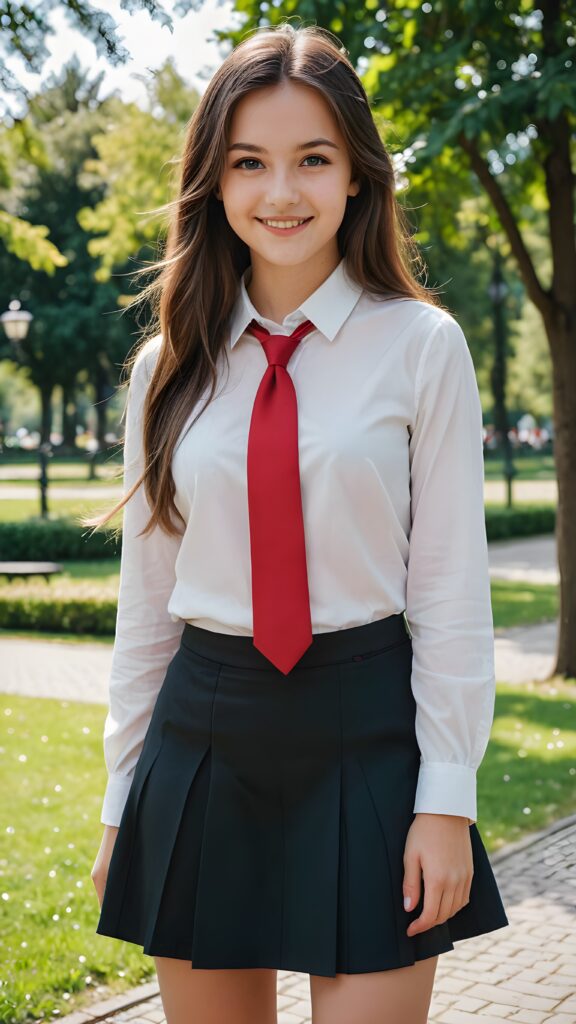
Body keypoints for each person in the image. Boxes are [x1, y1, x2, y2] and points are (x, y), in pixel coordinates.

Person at [89, 21, 509, 1024]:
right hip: (200, 740)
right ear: (215, 182)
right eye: (250, 163)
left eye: (313, 159)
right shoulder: (166, 368)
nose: (282, 193)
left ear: (357, 175)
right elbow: (146, 611)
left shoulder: (423, 346)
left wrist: (445, 797)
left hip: (367, 736)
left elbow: (450, 591)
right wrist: (121, 805)